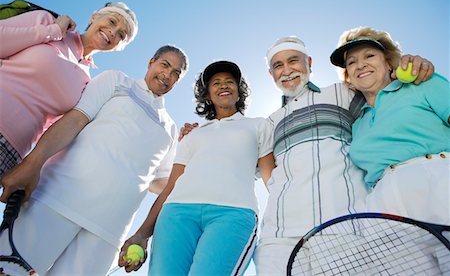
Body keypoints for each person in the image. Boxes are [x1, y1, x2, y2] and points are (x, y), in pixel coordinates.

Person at [249, 36, 435, 275]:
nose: (286, 70)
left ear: (310, 63)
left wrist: (411, 65)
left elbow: (384, 85)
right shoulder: (267, 123)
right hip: (277, 238)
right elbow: (246, 163)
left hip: (343, 228)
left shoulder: (344, 92)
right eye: (278, 65)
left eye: (293, 61)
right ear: (271, 74)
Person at [0, 45, 188, 275]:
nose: (168, 75)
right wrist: (31, 164)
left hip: (109, 232)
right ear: (151, 62)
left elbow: (160, 183)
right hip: (56, 199)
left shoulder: (170, 128)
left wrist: (194, 154)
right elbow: (75, 120)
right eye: (165, 65)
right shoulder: (117, 80)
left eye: (176, 74)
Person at [117, 60, 275, 275]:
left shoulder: (259, 125)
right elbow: (171, 186)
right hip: (176, 214)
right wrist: (142, 234)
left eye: (230, 81)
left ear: (239, 92)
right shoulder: (193, 135)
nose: (223, 85)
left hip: (233, 214)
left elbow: (271, 179)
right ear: (208, 95)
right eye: (216, 83)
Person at [0, 1, 138, 177]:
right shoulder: (49, 22)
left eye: (121, 34)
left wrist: (32, 165)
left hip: (11, 153)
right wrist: (52, 32)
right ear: (95, 17)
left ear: (118, 46)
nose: (113, 32)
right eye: (112, 22)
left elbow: (54, 128)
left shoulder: (87, 82)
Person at [330, 26, 449, 225]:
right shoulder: (357, 124)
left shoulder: (422, 84)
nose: (360, 65)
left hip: (440, 183)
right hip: (384, 206)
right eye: (352, 62)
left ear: (388, 62)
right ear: (348, 76)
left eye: (369, 56)